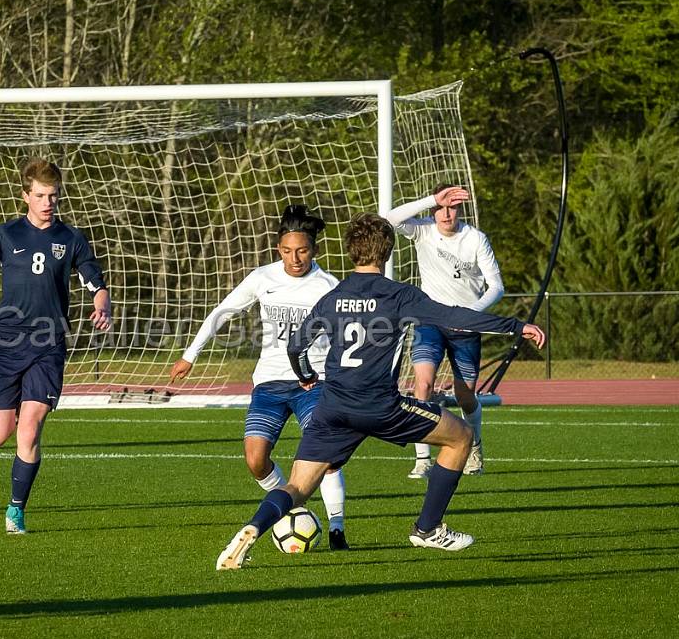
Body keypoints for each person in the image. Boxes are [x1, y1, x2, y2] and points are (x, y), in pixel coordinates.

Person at [216, 214, 543, 570]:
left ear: (350, 250)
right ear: (386, 253)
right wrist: (515, 325)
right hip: (380, 406)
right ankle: (428, 528)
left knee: (296, 486)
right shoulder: (399, 296)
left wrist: (306, 375)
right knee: (461, 437)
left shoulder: (334, 295)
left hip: (333, 407)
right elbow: (455, 317)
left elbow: (296, 346)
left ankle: (252, 529)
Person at [0, 158, 111, 535]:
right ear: (25, 196)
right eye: (40, 196)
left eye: (53, 196)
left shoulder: (71, 239)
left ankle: (16, 510)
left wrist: (102, 306)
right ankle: (13, 400)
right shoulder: (7, 234)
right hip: (7, 345)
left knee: (28, 430)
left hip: (48, 345)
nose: (48, 203)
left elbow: (97, 283)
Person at [169, 205, 351, 551]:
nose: (294, 258)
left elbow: (345, 339)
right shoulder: (262, 278)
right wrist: (190, 355)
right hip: (269, 382)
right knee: (255, 459)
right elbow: (223, 311)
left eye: (302, 251)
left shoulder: (329, 287)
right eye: (286, 251)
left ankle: (337, 527)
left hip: (312, 382)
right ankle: (291, 505)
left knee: (324, 455)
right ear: (277, 248)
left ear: (314, 250)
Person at [384, 185, 504, 478]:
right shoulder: (423, 230)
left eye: (452, 207)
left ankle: (474, 447)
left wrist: (469, 315)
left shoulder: (475, 239)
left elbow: (497, 287)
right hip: (430, 323)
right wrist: (430, 199)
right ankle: (423, 458)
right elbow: (389, 218)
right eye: (441, 207)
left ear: (460, 210)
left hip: (466, 326)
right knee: (422, 385)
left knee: (465, 396)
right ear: (434, 209)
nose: (446, 213)